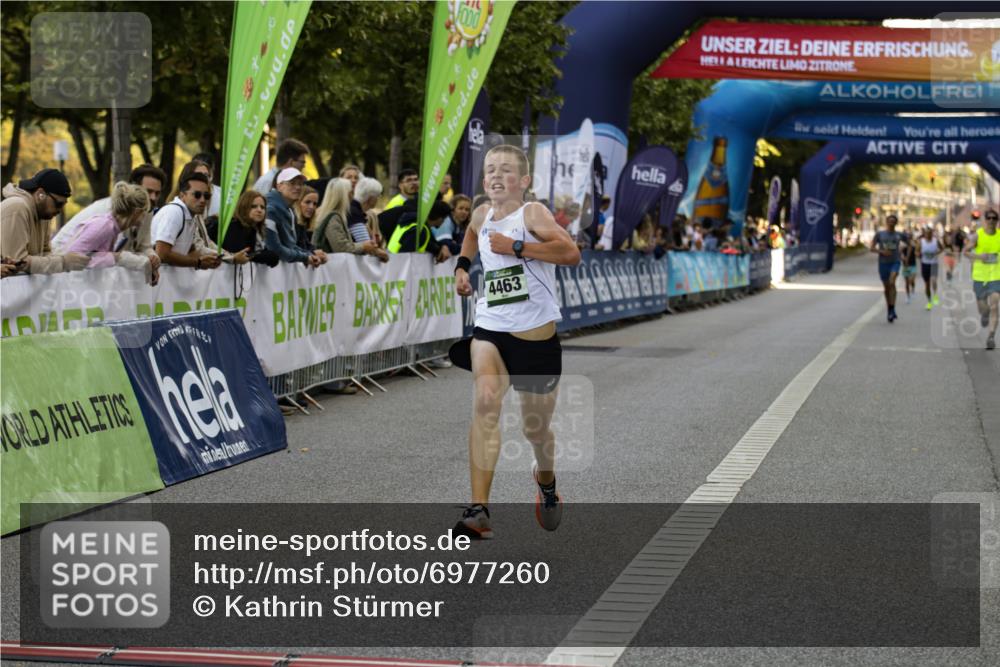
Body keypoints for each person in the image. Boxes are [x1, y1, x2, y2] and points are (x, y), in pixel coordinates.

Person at [450, 144, 581, 539]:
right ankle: (479, 511)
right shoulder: (481, 213)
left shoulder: (533, 213)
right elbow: (472, 236)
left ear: (524, 181)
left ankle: (546, 482)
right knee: (486, 401)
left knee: (535, 429)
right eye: (490, 169)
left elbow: (570, 253)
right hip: (490, 326)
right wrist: (461, 267)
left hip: (535, 337)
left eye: (505, 170)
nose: (495, 176)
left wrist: (519, 247)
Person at [52, 163, 166, 255]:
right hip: (62, 261)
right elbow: (74, 254)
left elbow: (143, 247)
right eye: (149, 191)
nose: (153, 197)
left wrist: (151, 256)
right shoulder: (108, 216)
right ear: (134, 188)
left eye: (157, 193)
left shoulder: (146, 210)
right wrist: (121, 260)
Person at [63, 182, 158, 284]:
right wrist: (116, 258)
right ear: (136, 213)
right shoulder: (104, 226)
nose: (145, 217)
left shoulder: (112, 228)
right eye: (144, 212)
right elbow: (71, 258)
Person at [1, 168, 89, 274]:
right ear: (40, 194)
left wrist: (66, 259)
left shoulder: (43, 213)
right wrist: (63, 262)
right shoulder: (16, 208)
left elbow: (45, 253)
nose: (60, 210)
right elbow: (17, 262)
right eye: (58, 204)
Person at [151, 172, 224, 270]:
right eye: (197, 195)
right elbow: (162, 254)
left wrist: (208, 260)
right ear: (182, 195)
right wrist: (198, 262)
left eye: (206, 196)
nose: (202, 200)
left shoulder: (191, 215)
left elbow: (190, 251)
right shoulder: (174, 212)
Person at [312, 177, 387, 261]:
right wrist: (364, 246)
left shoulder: (336, 215)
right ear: (343, 195)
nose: (354, 196)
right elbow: (341, 247)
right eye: (351, 192)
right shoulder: (333, 218)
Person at [265, 167, 326, 267]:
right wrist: (306, 257)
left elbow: (290, 246)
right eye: (292, 183)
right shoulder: (271, 209)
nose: (298, 187)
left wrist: (310, 255)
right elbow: (275, 249)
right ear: (279, 186)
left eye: (300, 184)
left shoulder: (289, 210)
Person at [207, 190, 279, 267]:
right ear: (244, 207)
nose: (259, 210)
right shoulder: (233, 224)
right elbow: (240, 253)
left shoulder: (253, 228)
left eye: (262, 207)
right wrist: (262, 255)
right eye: (253, 206)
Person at [965, 208, 1000, 350]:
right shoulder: (977, 236)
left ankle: (991, 336)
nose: (991, 221)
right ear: (985, 220)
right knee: (983, 308)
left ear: (997, 221)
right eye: (989, 218)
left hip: (996, 276)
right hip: (979, 276)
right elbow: (965, 252)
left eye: (994, 218)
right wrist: (980, 257)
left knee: (995, 305)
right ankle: (984, 314)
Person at [385, 200, 453, 263]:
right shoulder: (420, 231)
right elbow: (405, 256)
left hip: (393, 266)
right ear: (440, 218)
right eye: (444, 219)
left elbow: (430, 245)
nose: (444, 222)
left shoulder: (413, 224)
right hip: (398, 270)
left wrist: (441, 247)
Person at [871, 214, 907, 323]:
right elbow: (871, 248)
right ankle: (890, 309)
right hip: (883, 263)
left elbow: (909, 243)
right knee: (887, 287)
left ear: (896, 223)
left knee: (892, 282)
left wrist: (904, 254)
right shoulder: (880, 234)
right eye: (889, 221)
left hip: (895, 262)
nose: (891, 223)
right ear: (886, 222)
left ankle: (892, 307)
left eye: (893, 221)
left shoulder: (899, 235)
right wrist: (882, 251)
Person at [349, 176, 386, 249]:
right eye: (378, 196)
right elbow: (366, 243)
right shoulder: (355, 214)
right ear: (370, 198)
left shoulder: (354, 210)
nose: (379, 198)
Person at [192, 152, 223, 220]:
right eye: (198, 173)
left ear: (212, 172)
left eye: (205, 174)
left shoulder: (223, 195)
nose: (201, 178)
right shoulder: (185, 194)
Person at [917, 225, 941, 311]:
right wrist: (918, 255)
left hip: (934, 264)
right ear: (925, 234)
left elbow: (942, 248)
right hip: (925, 264)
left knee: (934, 280)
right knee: (927, 285)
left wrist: (937, 252)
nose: (928, 235)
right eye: (927, 233)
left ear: (932, 233)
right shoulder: (921, 242)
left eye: (930, 233)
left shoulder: (935, 241)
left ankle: (935, 295)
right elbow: (917, 251)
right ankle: (929, 301)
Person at [900, 226, 918, 304]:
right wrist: (902, 257)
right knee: (906, 282)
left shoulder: (914, 245)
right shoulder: (903, 246)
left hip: (913, 265)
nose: (908, 239)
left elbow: (918, 252)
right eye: (907, 237)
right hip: (906, 266)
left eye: (910, 237)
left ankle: (913, 289)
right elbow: (899, 253)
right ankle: (908, 296)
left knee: (911, 280)